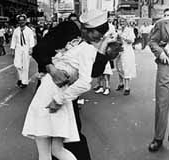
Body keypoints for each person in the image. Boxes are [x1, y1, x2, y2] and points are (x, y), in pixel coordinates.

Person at [22, 10, 116, 160]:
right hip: (50, 86)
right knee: (54, 146)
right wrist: (51, 69)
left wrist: (102, 50)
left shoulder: (89, 45)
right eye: (96, 35)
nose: (95, 39)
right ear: (86, 28)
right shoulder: (67, 28)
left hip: (65, 93)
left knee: (64, 141)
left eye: (100, 37)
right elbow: (39, 49)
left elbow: (94, 72)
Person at [148, 8, 169, 152]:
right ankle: (158, 138)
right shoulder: (163, 23)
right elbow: (152, 41)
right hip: (167, 63)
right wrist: (160, 53)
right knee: (162, 103)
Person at [10, 14, 35, 89]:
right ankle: (20, 78)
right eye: (20, 20)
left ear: (25, 21)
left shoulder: (29, 30)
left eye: (23, 20)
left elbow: (31, 40)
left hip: (26, 49)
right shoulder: (16, 30)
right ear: (18, 21)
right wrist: (12, 49)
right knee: (17, 64)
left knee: (25, 66)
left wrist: (31, 49)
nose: (21, 22)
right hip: (18, 49)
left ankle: (24, 82)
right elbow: (13, 40)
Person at [115, 18, 136, 96]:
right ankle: (121, 83)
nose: (121, 23)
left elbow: (131, 41)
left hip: (127, 51)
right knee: (119, 67)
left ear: (126, 23)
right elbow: (117, 40)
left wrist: (122, 37)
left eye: (123, 22)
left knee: (126, 68)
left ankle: (127, 87)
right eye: (120, 22)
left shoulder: (130, 30)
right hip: (119, 50)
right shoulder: (119, 30)